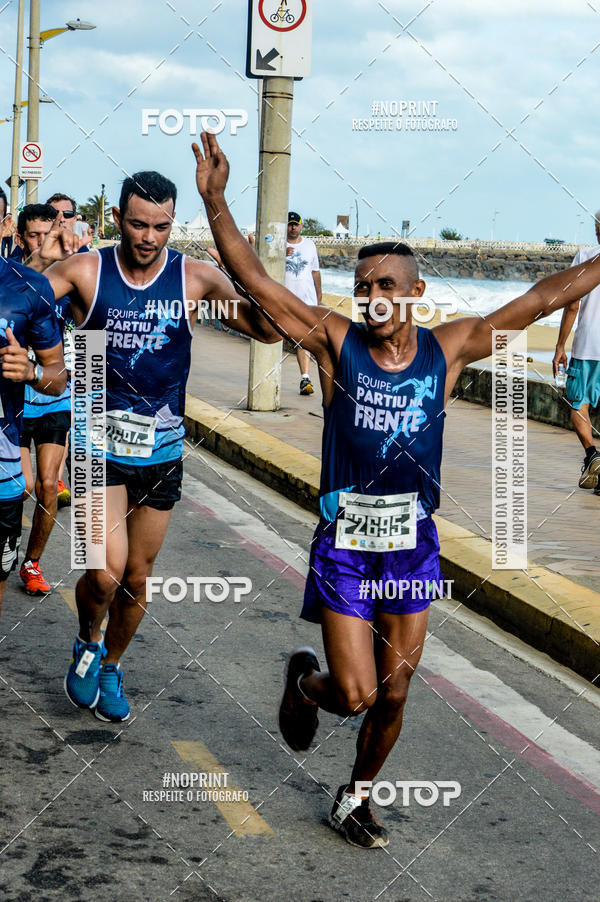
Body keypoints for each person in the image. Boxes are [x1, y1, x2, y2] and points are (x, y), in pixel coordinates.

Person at [193, 131, 600, 849]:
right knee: (355, 694)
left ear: (416, 294)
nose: (375, 298)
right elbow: (257, 283)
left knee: (397, 690)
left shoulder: (449, 349)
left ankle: (354, 796)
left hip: (413, 547)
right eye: (365, 287)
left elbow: (539, 300)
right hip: (347, 546)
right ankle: (308, 687)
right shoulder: (334, 342)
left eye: (388, 286)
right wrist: (218, 202)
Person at [27, 169, 280, 722]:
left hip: (162, 454)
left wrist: (236, 255)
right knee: (103, 572)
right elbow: (20, 302)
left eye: (161, 227)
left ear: (172, 225)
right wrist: (40, 262)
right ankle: (87, 637)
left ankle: (112, 664)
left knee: (137, 577)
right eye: (138, 224)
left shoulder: (194, 279)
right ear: (117, 219)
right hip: (98, 443)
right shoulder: (87, 270)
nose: (148, 238)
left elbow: (268, 328)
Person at [0, 255, 67, 618]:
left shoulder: (44, 283)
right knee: (28, 485)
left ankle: (32, 562)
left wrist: (30, 370)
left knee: (46, 485)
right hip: (18, 414)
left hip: (48, 402)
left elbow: (59, 375)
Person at [16, 204, 75, 594]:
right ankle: (8, 549)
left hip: (56, 398)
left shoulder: (72, 282)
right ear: (22, 239)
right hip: (14, 402)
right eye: (34, 236)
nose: (43, 242)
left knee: (48, 487)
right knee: (20, 486)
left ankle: (32, 563)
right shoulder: (12, 280)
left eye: (47, 233)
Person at [554, 213, 600, 494]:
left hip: (586, 348)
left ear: (597, 229)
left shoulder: (585, 256)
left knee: (579, 404)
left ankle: (593, 456)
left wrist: (560, 346)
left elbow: (572, 305)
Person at [285, 212, 322, 395]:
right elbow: (263, 266)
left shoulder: (310, 245)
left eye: (295, 225)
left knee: (303, 340)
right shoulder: (277, 245)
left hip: (307, 301)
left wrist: (319, 296)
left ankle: (305, 378)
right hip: (282, 301)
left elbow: (315, 272)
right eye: (290, 225)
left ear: (301, 226)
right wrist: (280, 255)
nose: (293, 228)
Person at [1, 190, 15, 258]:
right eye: (8, 216)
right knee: (3, 248)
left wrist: (11, 232)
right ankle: (3, 258)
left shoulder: (12, 222)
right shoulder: (3, 221)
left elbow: (15, 229)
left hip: (10, 237)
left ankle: (9, 259)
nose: (9, 217)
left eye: (10, 216)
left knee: (9, 249)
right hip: (4, 237)